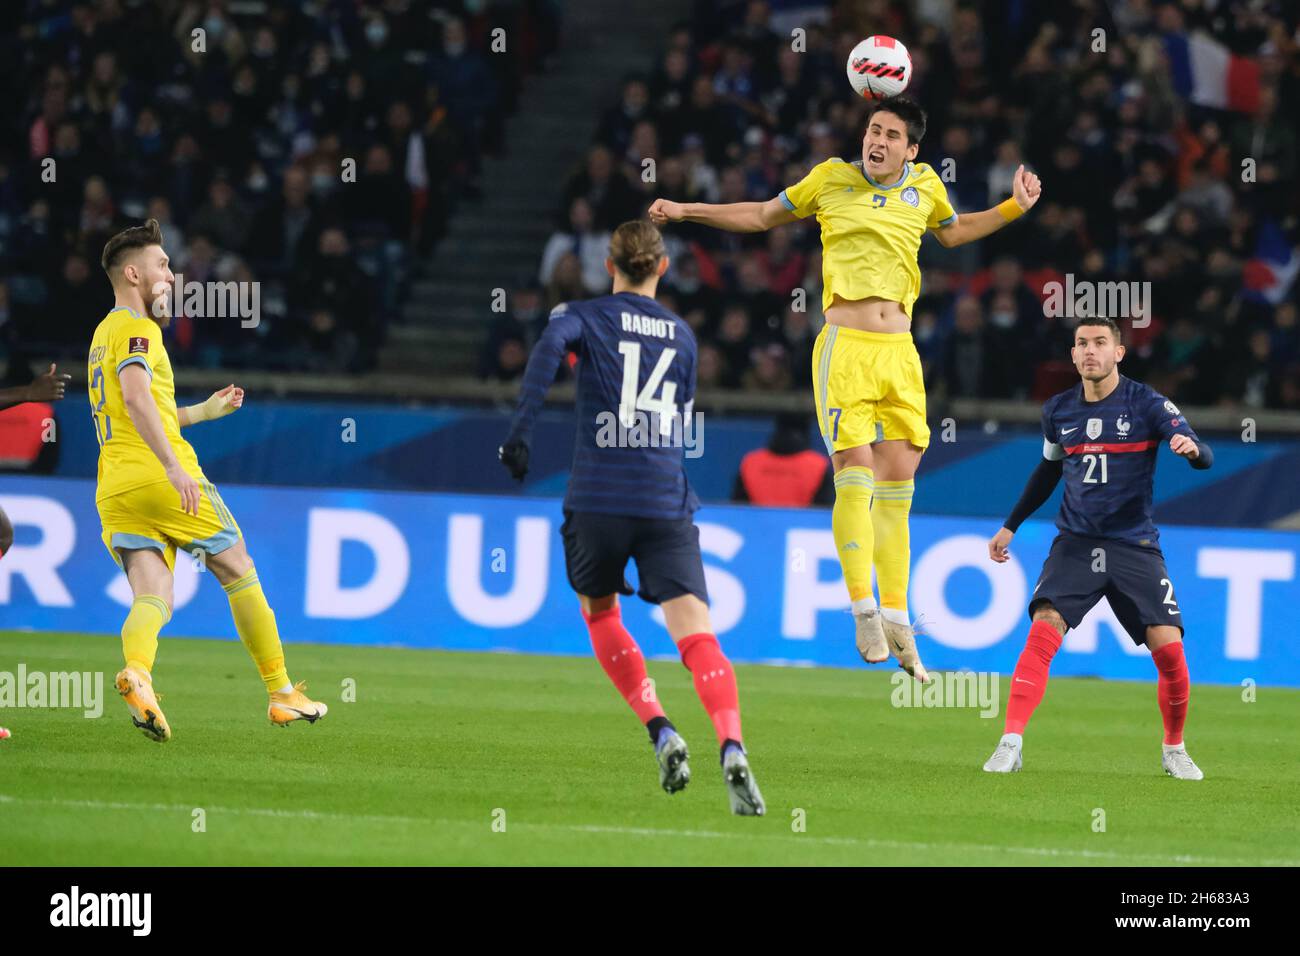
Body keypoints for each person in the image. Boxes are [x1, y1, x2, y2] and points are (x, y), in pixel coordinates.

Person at [651, 94, 1042, 682]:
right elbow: (760, 216)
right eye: (872, 129)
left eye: (890, 134)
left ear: (912, 149)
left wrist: (1015, 206)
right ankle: (862, 607)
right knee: (853, 471)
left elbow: (957, 233)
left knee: (898, 487)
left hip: (901, 353)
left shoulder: (927, 186)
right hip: (846, 347)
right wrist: (685, 211)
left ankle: (896, 615)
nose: (876, 141)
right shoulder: (830, 179)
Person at [498, 220, 765, 815]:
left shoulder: (582, 315)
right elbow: (679, 412)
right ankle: (731, 741)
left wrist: (520, 434)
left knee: (599, 612)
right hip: (664, 496)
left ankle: (661, 728)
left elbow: (546, 351)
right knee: (696, 634)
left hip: (598, 494)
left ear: (609, 264)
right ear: (662, 268)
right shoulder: (685, 336)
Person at [88, 219, 326, 742]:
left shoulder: (102, 336)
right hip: (161, 476)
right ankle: (282, 693)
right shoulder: (137, 327)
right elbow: (134, 398)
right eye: (162, 265)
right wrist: (174, 466)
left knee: (154, 594)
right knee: (238, 567)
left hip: (116, 488)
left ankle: (139, 674)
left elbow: (141, 410)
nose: (171, 276)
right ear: (133, 273)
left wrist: (203, 411)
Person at [985, 317, 1213, 779]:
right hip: (1076, 542)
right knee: (1043, 626)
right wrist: (1011, 526)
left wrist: (1191, 450)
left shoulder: (1146, 403)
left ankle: (1174, 748)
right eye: (1082, 344)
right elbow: (1048, 471)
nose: (1090, 351)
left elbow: (1202, 454)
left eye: (1100, 343)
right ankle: (1011, 741)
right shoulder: (1058, 410)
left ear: (1118, 353)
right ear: (1072, 355)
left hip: (1133, 544)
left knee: (1169, 650)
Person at [732, 412, 833, 506]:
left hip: (755, 524)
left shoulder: (751, 463)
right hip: (802, 524)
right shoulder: (819, 466)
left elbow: (737, 511)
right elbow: (823, 514)